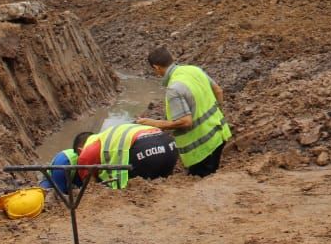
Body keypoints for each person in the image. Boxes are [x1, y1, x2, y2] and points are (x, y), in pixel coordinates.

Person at [137, 47, 232, 178]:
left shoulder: (174, 88)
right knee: (212, 176)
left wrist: (154, 123)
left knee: (201, 183)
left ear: (156, 67)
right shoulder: (194, 70)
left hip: (201, 148)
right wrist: (218, 112)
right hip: (219, 133)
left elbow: (185, 122)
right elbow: (218, 91)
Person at [74, 123, 178, 189]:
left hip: (146, 149)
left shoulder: (85, 153)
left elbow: (91, 188)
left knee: (135, 189)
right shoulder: (106, 137)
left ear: (80, 150)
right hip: (169, 145)